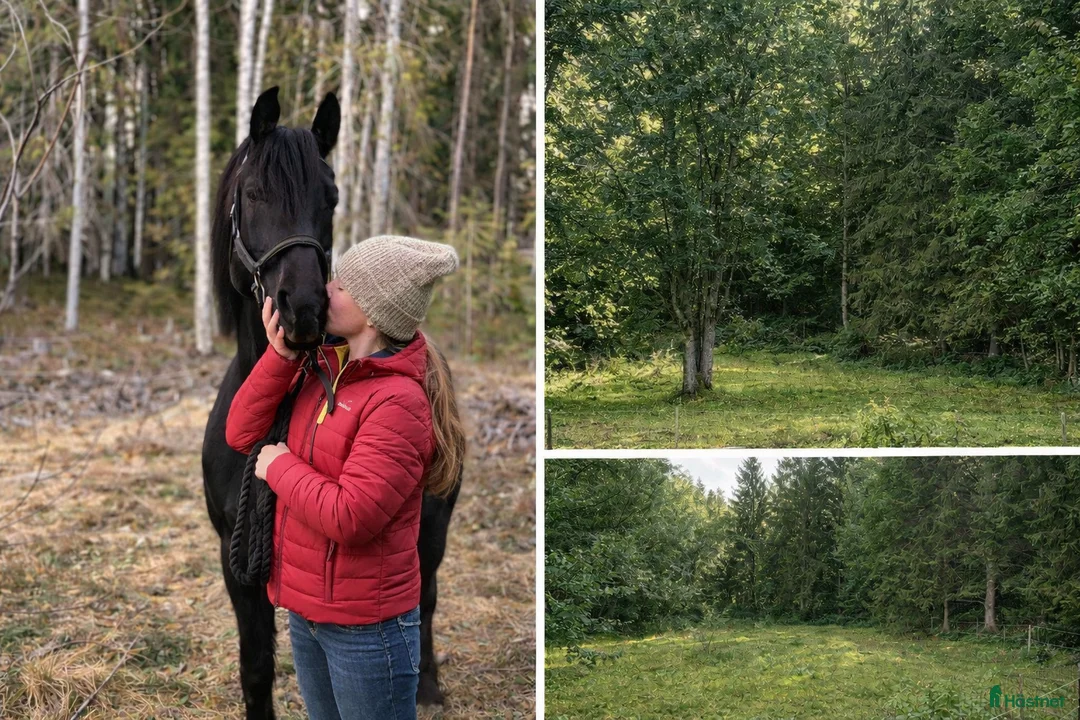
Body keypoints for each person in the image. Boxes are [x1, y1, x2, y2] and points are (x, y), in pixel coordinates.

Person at [224, 235, 464, 720]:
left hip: (367, 632)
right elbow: (240, 431)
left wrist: (279, 466)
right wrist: (282, 356)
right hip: (309, 615)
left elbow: (350, 516)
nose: (324, 289)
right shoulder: (323, 370)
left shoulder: (398, 403)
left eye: (342, 284)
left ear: (374, 313)